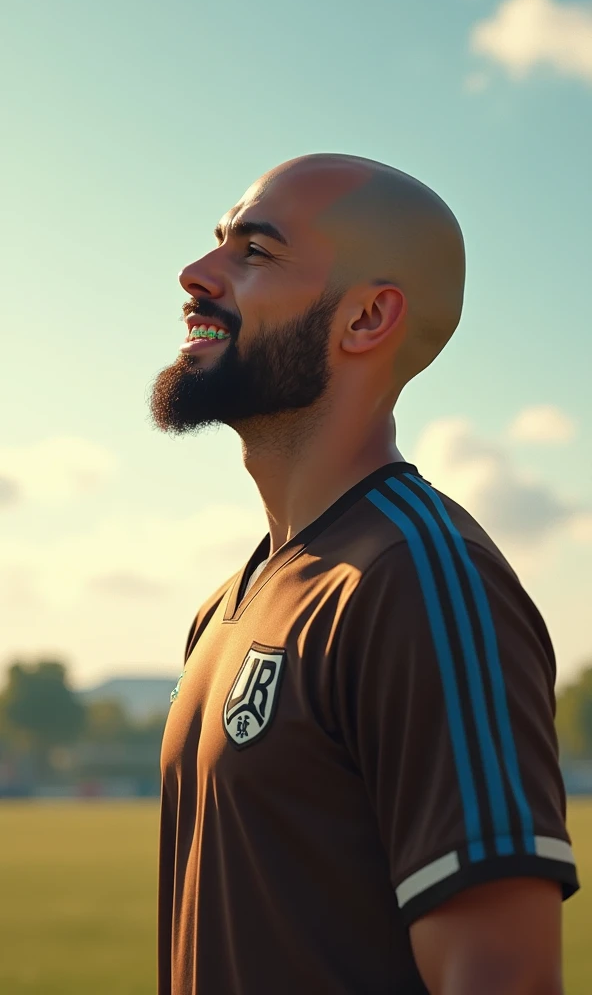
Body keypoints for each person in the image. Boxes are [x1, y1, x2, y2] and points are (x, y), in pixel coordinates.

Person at [150, 154, 579, 995]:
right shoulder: (225, 608)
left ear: (368, 318)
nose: (196, 275)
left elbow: (504, 978)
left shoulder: (421, 579)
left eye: (255, 253)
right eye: (216, 246)